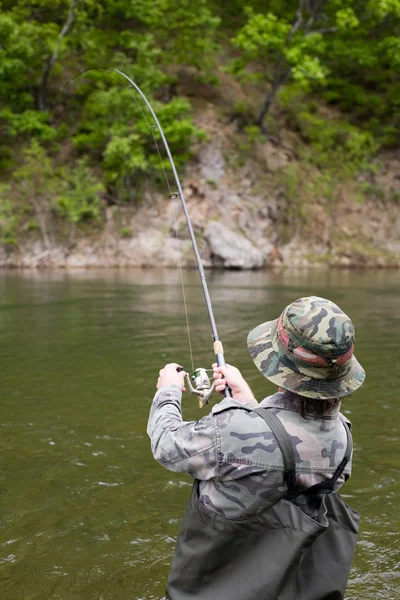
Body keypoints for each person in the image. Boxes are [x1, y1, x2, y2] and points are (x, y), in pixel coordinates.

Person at [147, 296, 365, 600]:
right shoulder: (343, 437)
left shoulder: (233, 431)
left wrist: (168, 391)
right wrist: (248, 403)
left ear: (278, 362)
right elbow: (284, 458)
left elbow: (165, 443)